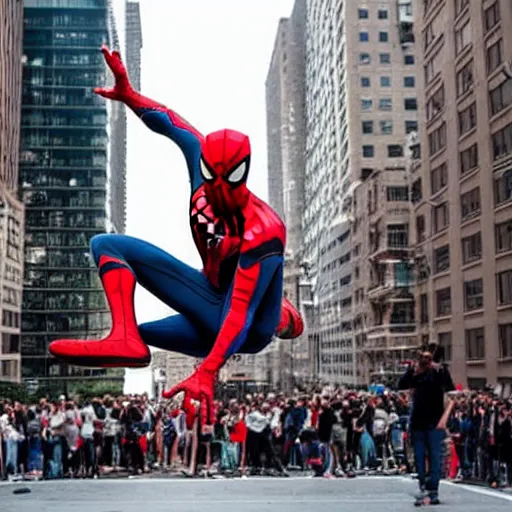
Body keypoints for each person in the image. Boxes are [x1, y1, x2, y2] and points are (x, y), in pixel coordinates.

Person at [48, 46, 304, 423]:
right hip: (209, 299)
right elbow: (169, 121)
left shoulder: (263, 229)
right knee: (107, 246)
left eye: (229, 177)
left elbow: (238, 315)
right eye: (210, 172)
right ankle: (125, 337)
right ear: (204, 163)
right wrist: (130, 96)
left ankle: (282, 319)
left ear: (243, 173)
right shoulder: (202, 162)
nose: (217, 187)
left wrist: (207, 372)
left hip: (244, 325)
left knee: (251, 314)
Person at [399, 347, 455, 505]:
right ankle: (423, 485)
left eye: (427, 358)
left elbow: (451, 394)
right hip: (417, 423)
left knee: (435, 456)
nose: (425, 361)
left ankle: (433, 490)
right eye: (422, 358)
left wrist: (444, 419)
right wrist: (413, 370)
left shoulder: (439, 373)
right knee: (418, 457)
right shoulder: (416, 374)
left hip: (435, 423)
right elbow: (401, 385)